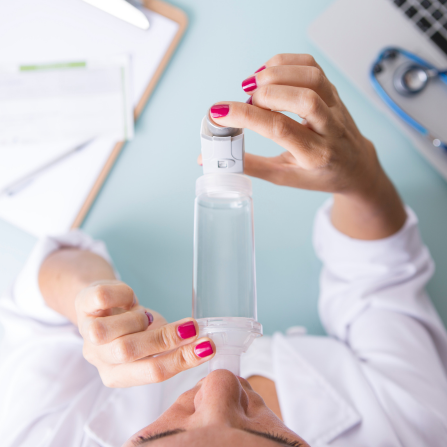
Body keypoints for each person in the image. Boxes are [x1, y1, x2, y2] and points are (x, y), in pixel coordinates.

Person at [1, 53, 446, 447]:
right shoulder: (413, 433)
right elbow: (381, 280)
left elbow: (46, 281)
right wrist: (361, 179)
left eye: (162, 433)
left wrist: (89, 306)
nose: (219, 381)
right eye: (264, 431)